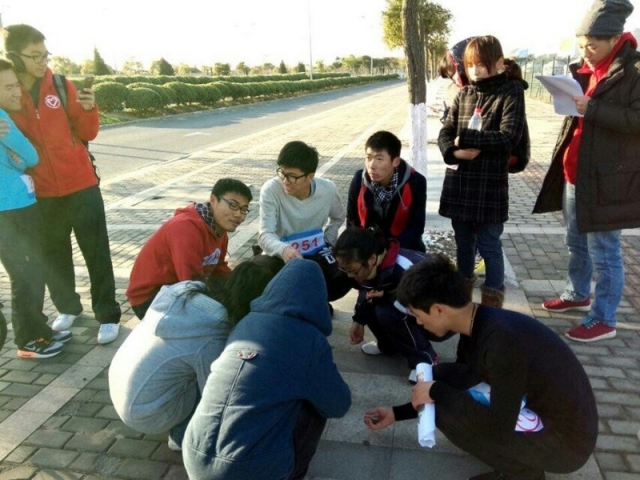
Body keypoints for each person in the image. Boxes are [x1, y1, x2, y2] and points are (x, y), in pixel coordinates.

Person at [365, 254, 598, 480]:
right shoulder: (476, 321)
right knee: (443, 376)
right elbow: (460, 380)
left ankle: (524, 474)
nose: (418, 322)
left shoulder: (501, 343)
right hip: (537, 408)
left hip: (566, 444)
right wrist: (397, 413)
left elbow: (498, 427)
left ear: (438, 309)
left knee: (445, 411)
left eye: (417, 314)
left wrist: (437, 392)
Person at [4, 24, 121, 344]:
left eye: (46, 54)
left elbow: (87, 132)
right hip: (42, 192)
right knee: (55, 255)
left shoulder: (59, 84)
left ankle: (108, 314)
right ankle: (68, 307)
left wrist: (88, 109)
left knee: (97, 252)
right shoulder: (10, 92)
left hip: (81, 184)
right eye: (35, 55)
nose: (43, 61)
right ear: (14, 55)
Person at [182, 259, 351, 480]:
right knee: (316, 402)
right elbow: (339, 404)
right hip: (248, 469)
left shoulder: (245, 323)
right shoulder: (309, 339)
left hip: (194, 453)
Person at [533, 0, 639, 342]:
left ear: (615, 39)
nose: (586, 53)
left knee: (605, 252)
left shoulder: (633, 71)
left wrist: (593, 107)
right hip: (575, 171)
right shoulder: (586, 69)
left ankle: (604, 318)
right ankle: (577, 292)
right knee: (575, 241)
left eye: (592, 46)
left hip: (608, 179)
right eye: (581, 46)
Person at [109, 255, 282, 451]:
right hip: (147, 413)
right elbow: (218, 398)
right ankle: (181, 436)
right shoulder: (212, 335)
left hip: (123, 390)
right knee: (224, 377)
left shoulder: (187, 293)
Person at [438, 35, 527, 308]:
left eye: (480, 64)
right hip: (460, 183)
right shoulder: (464, 94)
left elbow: (508, 136)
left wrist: (465, 139)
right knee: (463, 243)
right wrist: (454, 152)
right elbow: (445, 132)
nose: (474, 71)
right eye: (470, 65)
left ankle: (492, 302)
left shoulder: (511, 92)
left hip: (489, 186)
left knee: (489, 244)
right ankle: (463, 298)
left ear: (498, 62)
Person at [0, 58, 70, 358]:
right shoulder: (2, 120)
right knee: (24, 274)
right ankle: (27, 340)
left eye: (16, 85)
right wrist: (17, 157)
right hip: (8, 212)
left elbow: (20, 162)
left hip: (20, 206)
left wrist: (14, 160)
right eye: (8, 87)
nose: (17, 91)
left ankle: (38, 328)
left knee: (32, 271)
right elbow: (31, 156)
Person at [126, 178, 251, 319]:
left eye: (243, 209)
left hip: (180, 285)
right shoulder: (185, 228)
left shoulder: (219, 229)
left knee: (242, 296)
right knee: (223, 316)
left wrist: (242, 288)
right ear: (213, 200)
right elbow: (191, 281)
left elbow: (219, 269)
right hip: (150, 298)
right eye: (233, 205)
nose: (239, 215)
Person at [333, 226, 438, 381]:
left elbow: (426, 307)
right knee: (375, 303)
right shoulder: (372, 263)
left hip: (440, 316)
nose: (349, 276)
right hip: (411, 305)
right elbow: (367, 290)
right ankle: (388, 346)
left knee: (387, 311)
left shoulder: (407, 269)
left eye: (353, 271)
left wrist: (388, 297)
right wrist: (359, 320)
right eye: (345, 270)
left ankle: (425, 361)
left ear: (372, 259)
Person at [258, 140, 352, 302]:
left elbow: (338, 216)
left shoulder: (327, 189)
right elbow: (265, 234)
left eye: (292, 176)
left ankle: (314, 304)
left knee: (343, 276)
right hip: (281, 254)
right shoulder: (271, 189)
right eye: (282, 173)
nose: (285, 181)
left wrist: (329, 240)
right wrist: (283, 250)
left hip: (316, 251)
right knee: (257, 276)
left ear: (310, 176)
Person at [347, 130, 427, 252]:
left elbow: (416, 228)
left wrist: (389, 250)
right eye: (368, 158)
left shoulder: (415, 181)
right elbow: (352, 221)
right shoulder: (359, 180)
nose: (371, 165)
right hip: (368, 249)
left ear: (395, 161)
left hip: (403, 247)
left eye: (379, 159)